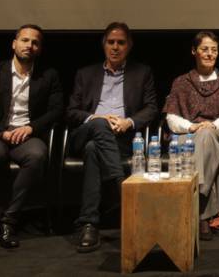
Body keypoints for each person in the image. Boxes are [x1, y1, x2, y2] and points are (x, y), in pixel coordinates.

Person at [0, 24, 64, 249]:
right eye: (25, 40)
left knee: (37, 155)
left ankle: (8, 220)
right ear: (14, 44)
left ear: (40, 48)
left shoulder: (48, 76)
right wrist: (1, 133)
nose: (30, 45)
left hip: (27, 135)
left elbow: (56, 111)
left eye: (35, 42)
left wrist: (31, 128)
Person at [67, 22, 158, 252]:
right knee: (98, 125)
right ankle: (122, 189)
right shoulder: (85, 74)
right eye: (111, 42)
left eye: (121, 43)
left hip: (121, 139)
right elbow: (71, 112)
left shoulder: (142, 73)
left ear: (129, 46)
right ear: (103, 45)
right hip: (86, 131)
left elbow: (151, 108)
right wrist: (97, 119)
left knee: (92, 150)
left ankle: (88, 223)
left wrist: (128, 122)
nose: (115, 47)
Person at [163, 31, 219, 242]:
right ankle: (203, 216)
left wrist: (210, 126)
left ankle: (190, 200)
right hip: (186, 135)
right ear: (194, 51)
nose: (209, 54)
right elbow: (171, 118)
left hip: (218, 135)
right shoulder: (181, 83)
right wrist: (191, 127)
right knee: (195, 142)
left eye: (214, 50)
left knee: (206, 137)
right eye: (205, 49)